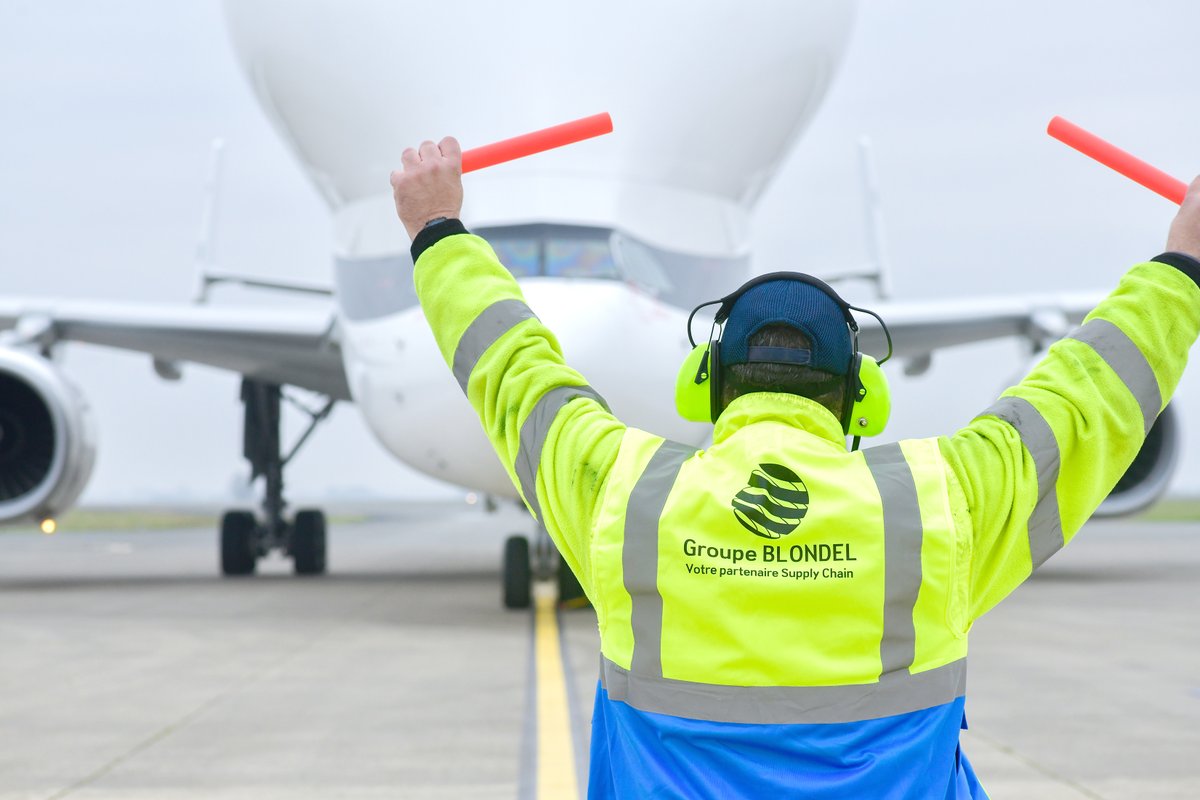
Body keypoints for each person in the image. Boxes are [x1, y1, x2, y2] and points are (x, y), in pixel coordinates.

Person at [389, 136, 1200, 798]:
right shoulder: (936, 506)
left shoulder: (625, 496)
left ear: (703, 385)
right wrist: (1184, 264)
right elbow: (1088, 396)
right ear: (863, 397)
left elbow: (512, 369)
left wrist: (438, 232)